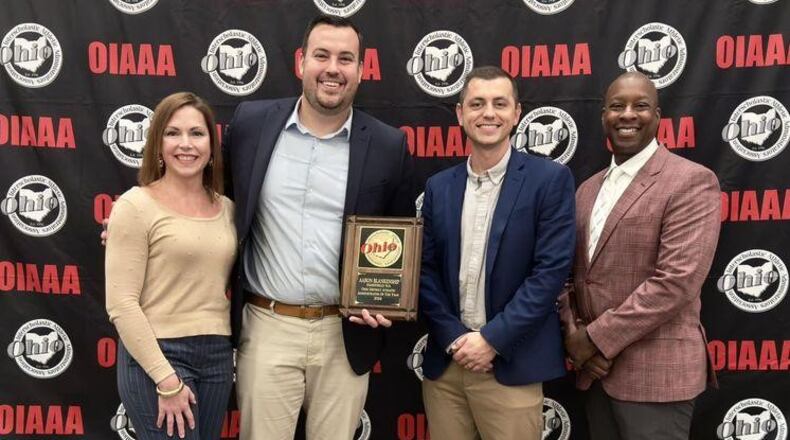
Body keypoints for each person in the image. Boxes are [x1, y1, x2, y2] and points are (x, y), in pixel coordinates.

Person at [223, 15, 415, 439]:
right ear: (300, 61)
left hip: (345, 334)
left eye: (346, 59)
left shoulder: (388, 145)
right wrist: (143, 211)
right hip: (267, 324)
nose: (333, 68)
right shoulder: (251, 125)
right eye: (322, 55)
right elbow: (210, 197)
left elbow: (399, 238)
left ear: (362, 70)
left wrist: (387, 299)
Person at [559, 72, 721, 440]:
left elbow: (676, 282)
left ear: (658, 115)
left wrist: (595, 338)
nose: (627, 115)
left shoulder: (691, 181)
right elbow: (567, 273)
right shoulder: (586, 189)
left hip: (656, 376)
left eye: (640, 106)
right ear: (603, 116)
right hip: (595, 373)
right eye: (617, 106)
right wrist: (573, 333)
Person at [418, 66, 576, 439]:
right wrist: (455, 338)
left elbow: (549, 273)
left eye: (499, 103)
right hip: (447, 365)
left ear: (516, 113)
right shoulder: (439, 187)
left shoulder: (549, 181)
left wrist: (490, 340)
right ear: (460, 114)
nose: (488, 113)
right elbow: (423, 271)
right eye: (477, 103)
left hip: (510, 365)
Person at [105, 92, 236, 440]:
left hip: (217, 357)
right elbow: (121, 304)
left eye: (197, 133)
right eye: (173, 133)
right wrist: (165, 379)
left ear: (211, 144)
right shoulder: (135, 206)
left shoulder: (228, 210)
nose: (186, 144)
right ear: (158, 144)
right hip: (158, 355)